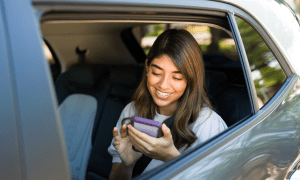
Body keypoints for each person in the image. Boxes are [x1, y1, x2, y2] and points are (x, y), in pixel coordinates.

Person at [107, 29, 228, 180]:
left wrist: (170, 157)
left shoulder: (208, 124)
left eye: (177, 77)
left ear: (191, 79)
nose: (163, 85)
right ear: (147, 67)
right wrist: (127, 165)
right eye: (156, 73)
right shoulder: (132, 111)